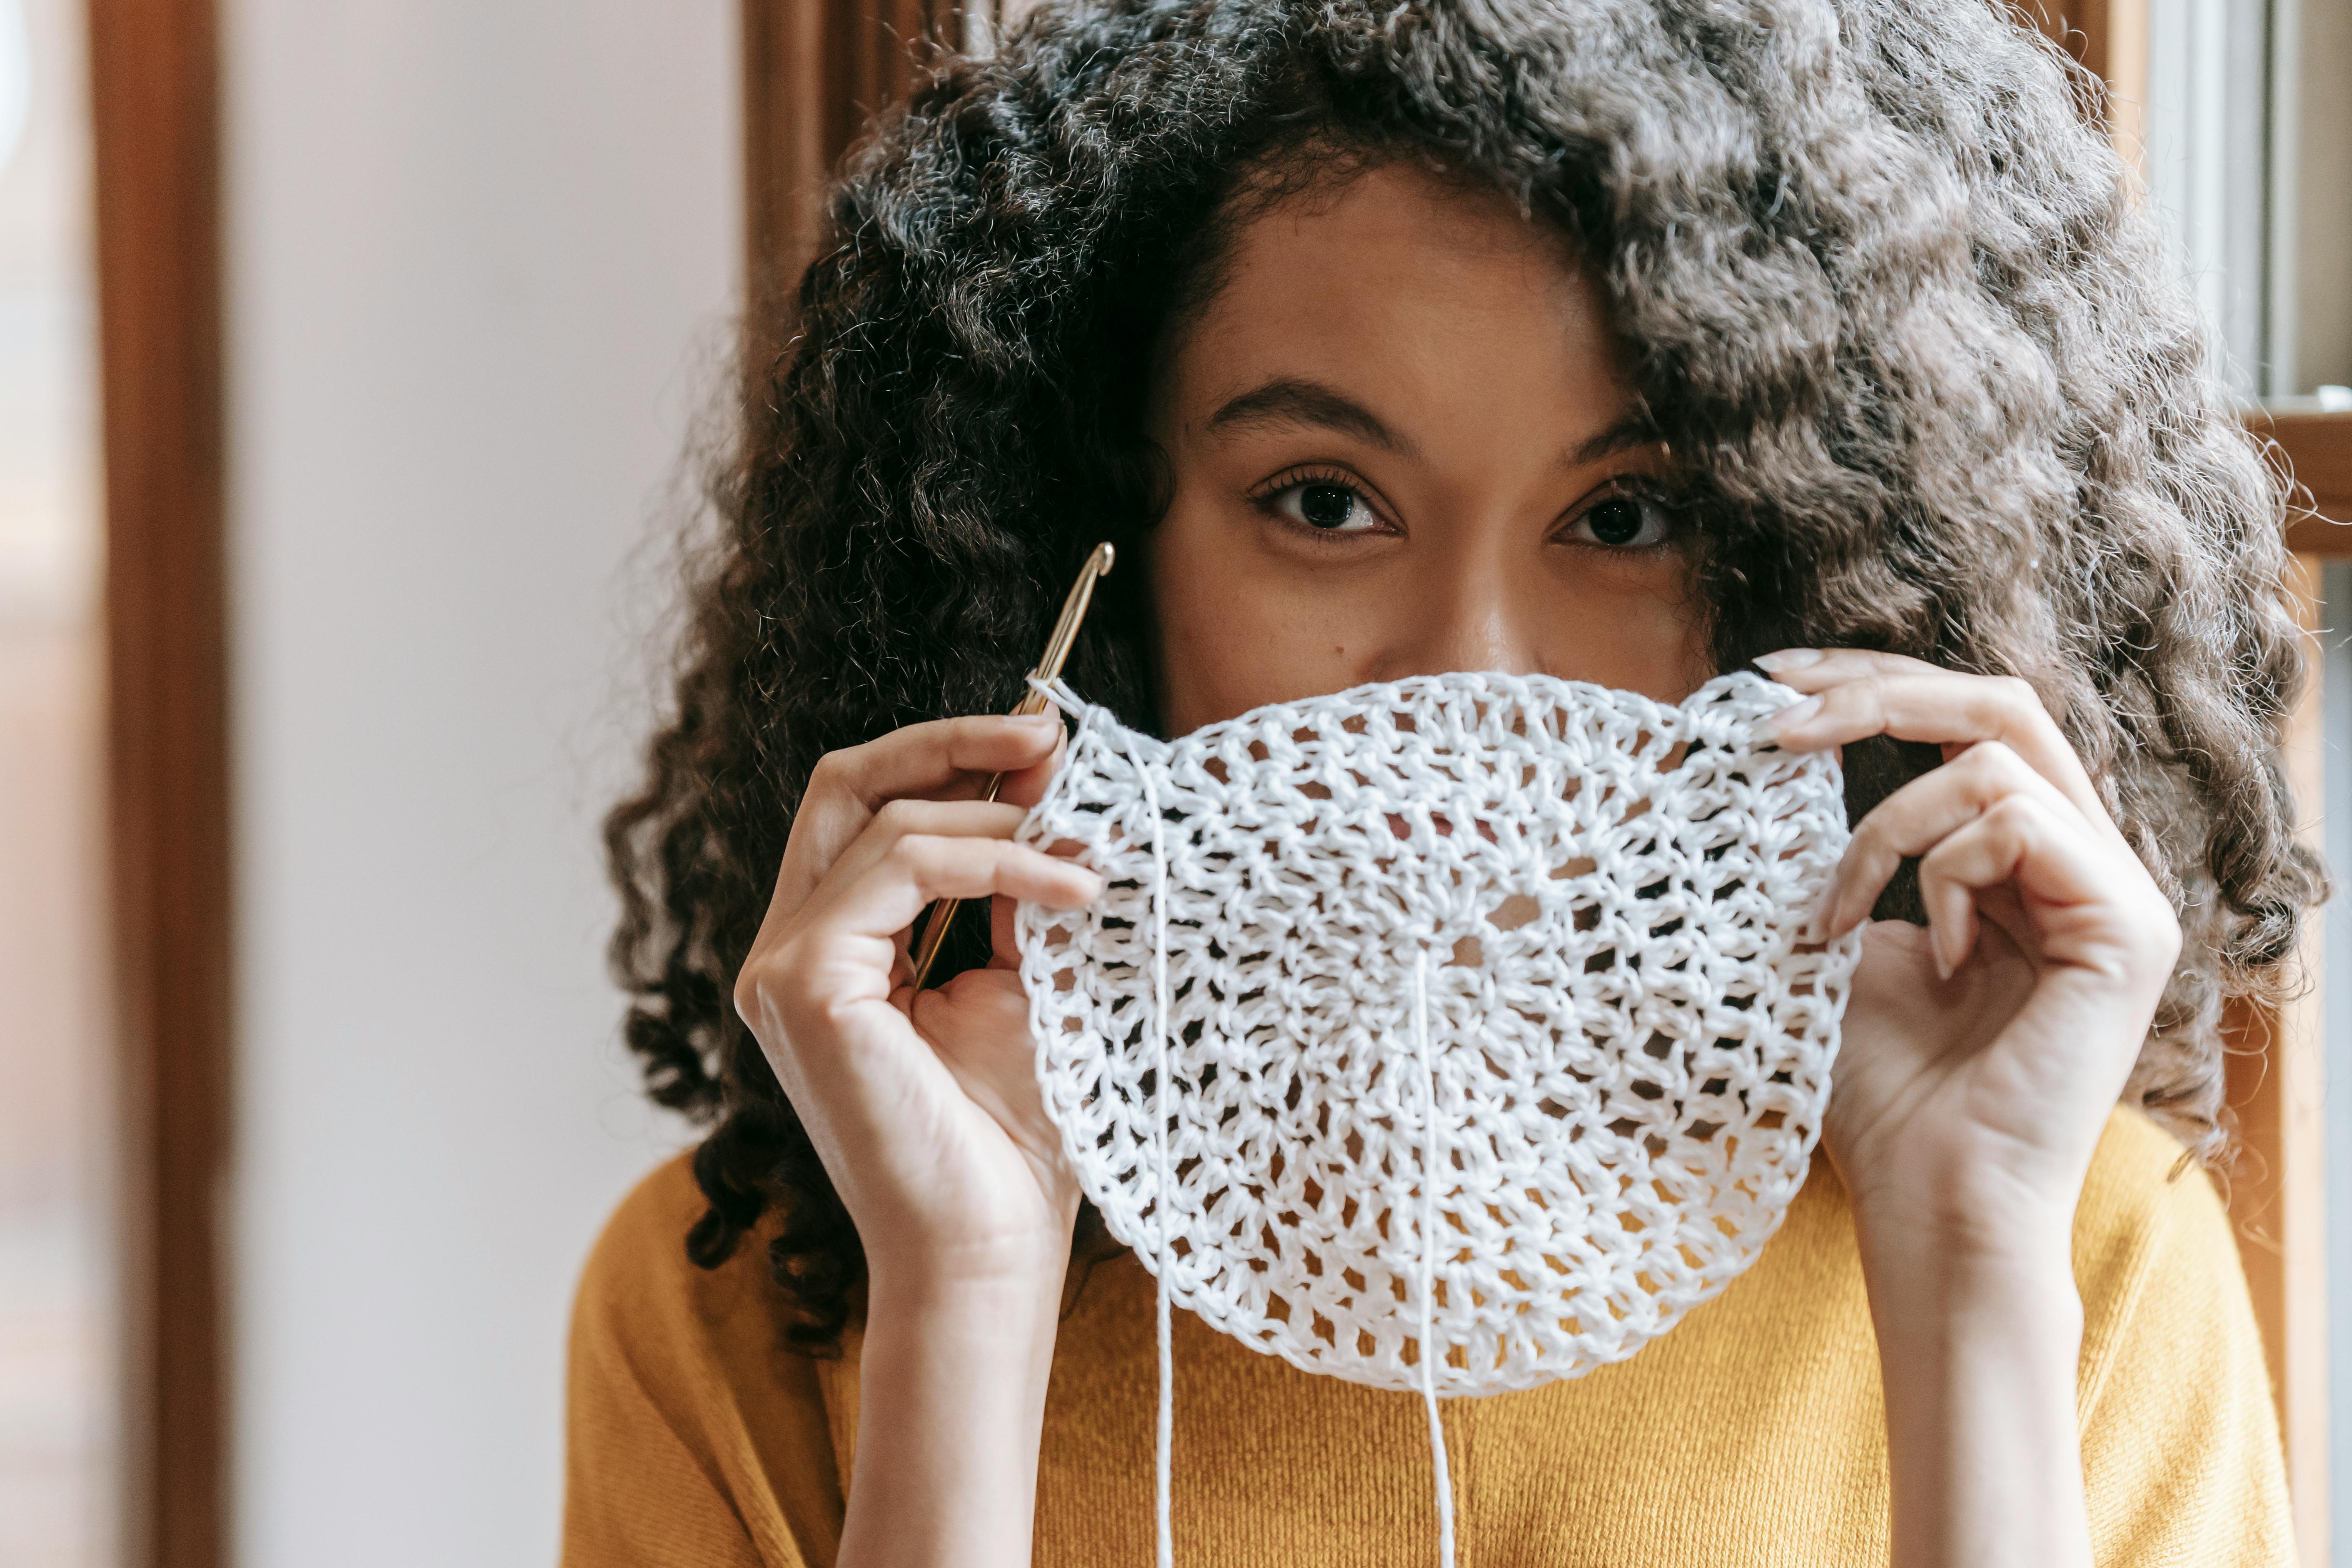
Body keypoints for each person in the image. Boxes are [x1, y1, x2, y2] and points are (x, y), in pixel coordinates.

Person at [567, 2, 2319, 1563]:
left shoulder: (2062, 1243)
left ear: (1813, 573)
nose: (1469, 670)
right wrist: (958, 1300)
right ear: (1083, 548)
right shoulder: (745, 1314)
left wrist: (1967, 1276)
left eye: (1622, 520)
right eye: (1322, 500)